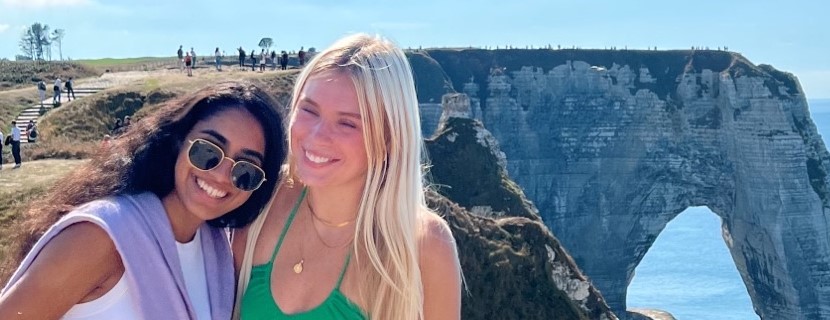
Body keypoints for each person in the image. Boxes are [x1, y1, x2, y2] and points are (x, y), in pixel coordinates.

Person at [0, 81, 287, 319]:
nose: (222, 175)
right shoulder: (101, 237)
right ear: (178, 141)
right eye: (207, 150)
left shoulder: (219, 251)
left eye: (245, 170)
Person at [232, 34, 462, 320]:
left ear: (389, 138)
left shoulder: (425, 247)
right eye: (308, 110)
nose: (317, 136)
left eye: (347, 123)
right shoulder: (262, 200)